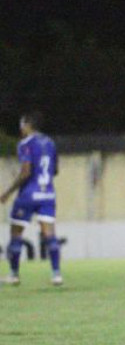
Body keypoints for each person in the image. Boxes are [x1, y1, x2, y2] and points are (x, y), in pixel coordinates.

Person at [0, 112, 61, 286]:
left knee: (16, 233)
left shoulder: (25, 144)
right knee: (49, 233)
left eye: (21, 125)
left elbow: (26, 171)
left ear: (28, 125)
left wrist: (8, 192)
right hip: (48, 194)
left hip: (28, 195)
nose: (20, 129)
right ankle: (56, 274)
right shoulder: (50, 143)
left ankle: (14, 274)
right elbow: (55, 170)